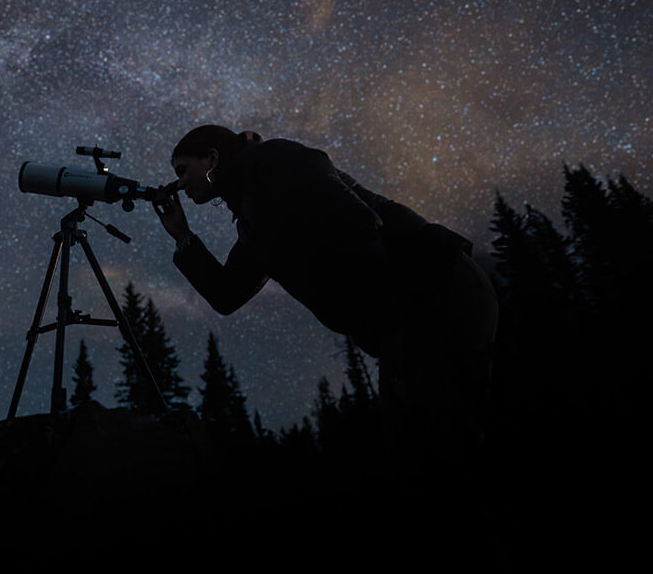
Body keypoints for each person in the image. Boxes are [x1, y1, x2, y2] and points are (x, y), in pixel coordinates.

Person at [153, 125, 498, 470]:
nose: (179, 183)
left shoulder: (273, 162)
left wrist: (396, 333)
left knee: (437, 449)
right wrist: (182, 236)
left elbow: (361, 225)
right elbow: (226, 295)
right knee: (426, 449)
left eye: (182, 170)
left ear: (211, 158)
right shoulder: (251, 213)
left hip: (435, 293)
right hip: (412, 311)